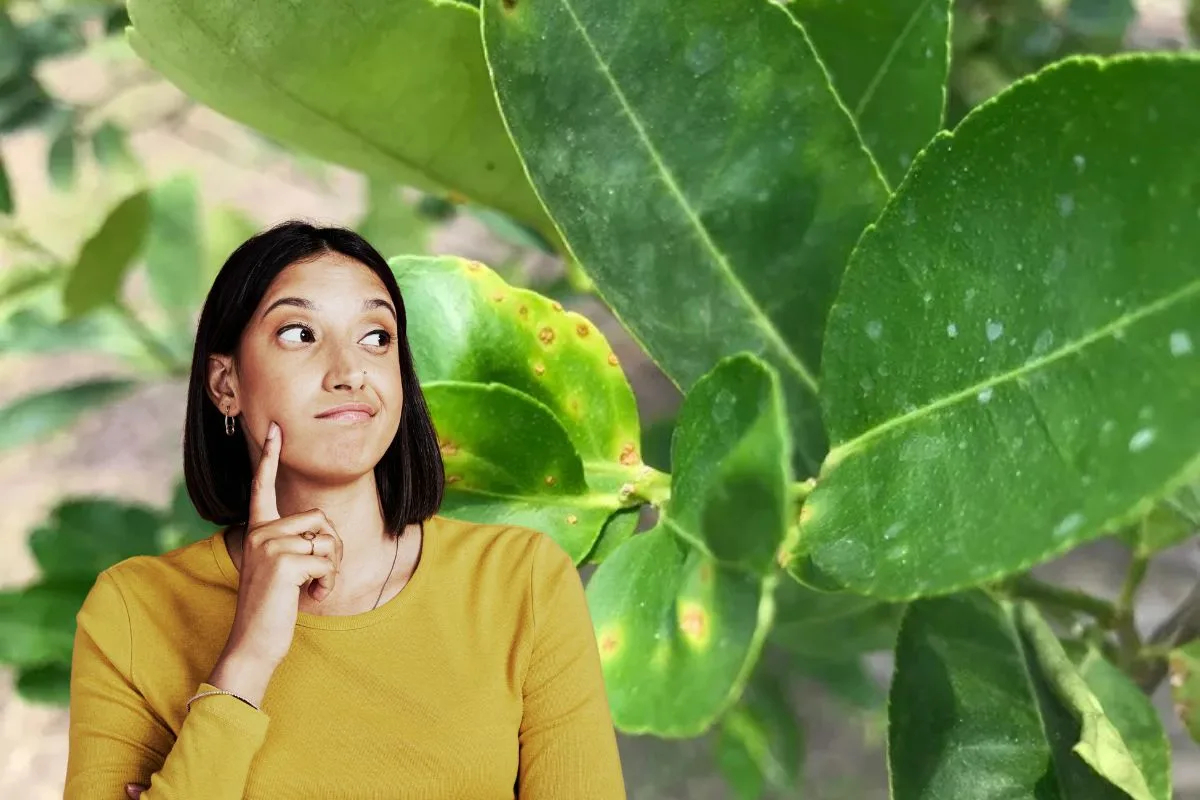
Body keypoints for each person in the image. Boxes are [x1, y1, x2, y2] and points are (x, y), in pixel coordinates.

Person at [63, 221, 627, 799]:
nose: (349, 371)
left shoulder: (521, 581)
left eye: (376, 338)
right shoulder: (133, 612)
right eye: (299, 333)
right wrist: (247, 660)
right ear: (225, 382)